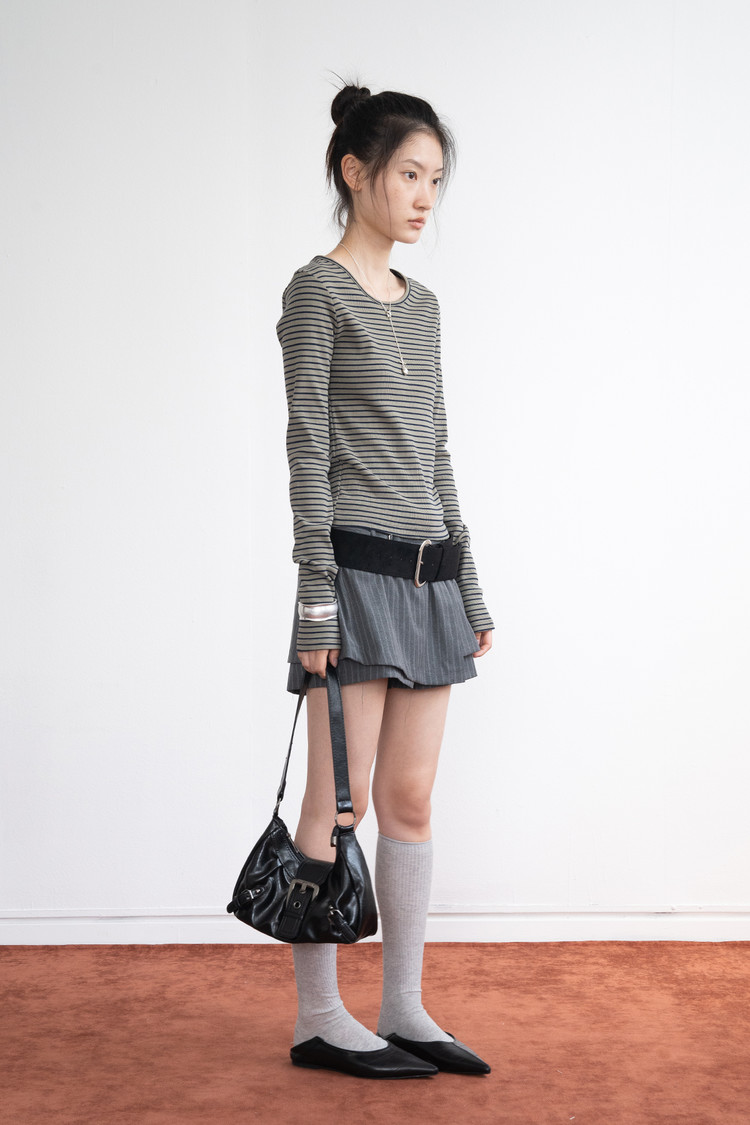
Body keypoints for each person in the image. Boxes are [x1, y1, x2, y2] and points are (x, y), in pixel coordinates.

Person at [276, 82, 494, 1079]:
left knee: (409, 801)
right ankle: (320, 1017)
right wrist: (316, 596)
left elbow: (435, 453)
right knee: (337, 803)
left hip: (429, 582)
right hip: (355, 577)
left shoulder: (427, 307)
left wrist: (471, 588)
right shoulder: (315, 294)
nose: (423, 198)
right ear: (355, 171)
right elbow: (308, 451)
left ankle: (403, 1006)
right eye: (409, 174)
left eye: (435, 180)